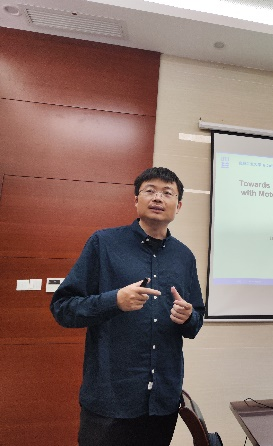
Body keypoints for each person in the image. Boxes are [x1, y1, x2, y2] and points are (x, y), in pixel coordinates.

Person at [50, 167, 205, 446]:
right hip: (110, 400)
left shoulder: (185, 257)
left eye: (167, 193)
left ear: (178, 205)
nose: (158, 198)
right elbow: (63, 308)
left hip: (162, 402)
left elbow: (195, 323)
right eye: (150, 191)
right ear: (136, 200)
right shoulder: (103, 244)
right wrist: (114, 301)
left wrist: (188, 316)